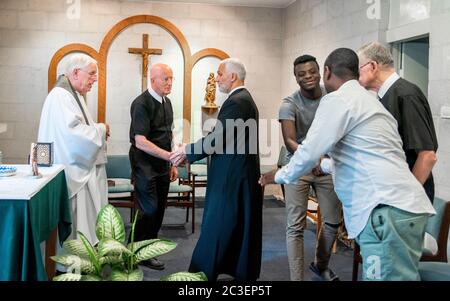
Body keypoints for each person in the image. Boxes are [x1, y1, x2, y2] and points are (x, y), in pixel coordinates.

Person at [260, 48, 436, 281]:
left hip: (383, 213)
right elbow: (360, 159)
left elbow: (309, 152)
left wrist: (278, 175)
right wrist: (323, 166)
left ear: (326, 71)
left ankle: (319, 265)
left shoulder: (337, 100)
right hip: (409, 211)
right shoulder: (372, 102)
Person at [171, 58, 263, 281]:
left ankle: (199, 277)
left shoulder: (237, 102)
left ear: (233, 76)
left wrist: (187, 151)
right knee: (236, 224)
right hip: (238, 172)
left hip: (230, 176)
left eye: (220, 73)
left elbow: (219, 139)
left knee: (216, 225)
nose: (217, 78)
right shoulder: (243, 100)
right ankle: (237, 270)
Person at [279, 54, 342, 281]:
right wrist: (312, 158)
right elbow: (289, 141)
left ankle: (320, 264)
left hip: (325, 164)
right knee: (295, 226)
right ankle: (297, 278)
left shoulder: (333, 96)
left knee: (333, 221)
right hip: (299, 165)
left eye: (312, 72)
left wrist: (323, 158)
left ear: (321, 72)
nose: (308, 77)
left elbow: (339, 130)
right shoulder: (289, 104)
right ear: (296, 78)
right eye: (302, 74)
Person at [38, 53, 109, 245]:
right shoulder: (61, 96)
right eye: (92, 73)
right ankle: (73, 267)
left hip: (73, 165)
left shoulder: (72, 94)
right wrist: (102, 129)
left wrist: (97, 129)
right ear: (76, 73)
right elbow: (74, 135)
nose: (95, 79)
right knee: (78, 228)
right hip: (73, 170)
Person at [357, 42, 438, 203]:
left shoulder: (406, 95)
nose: (356, 76)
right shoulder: (384, 95)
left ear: (373, 66)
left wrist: (407, 197)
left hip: (407, 200)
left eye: (358, 69)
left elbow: (427, 156)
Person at [129, 63, 178, 270]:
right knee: (149, 209)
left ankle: (148, 250)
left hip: (162, 165)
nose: (169, 83)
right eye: (165, 79)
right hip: (144, 164)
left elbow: (168, 133)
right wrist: (170, 156)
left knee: (159, 211)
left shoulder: (167, 102)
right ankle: (135, 251)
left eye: (171, 78)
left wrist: (171, 163)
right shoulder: (141, 103)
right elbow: (140, 141)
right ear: (153, 80)